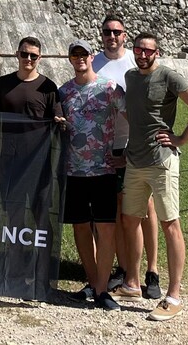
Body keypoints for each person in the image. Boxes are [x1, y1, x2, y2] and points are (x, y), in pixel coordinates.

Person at [119, 32, 188, 321]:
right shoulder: (132, 77)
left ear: (157, 53)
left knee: (171, 224)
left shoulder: (169, 76)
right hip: (134, 160)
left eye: (148, 51)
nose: (142, 54)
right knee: (130, 219)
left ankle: (173, 295)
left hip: (161, 161)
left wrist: (181, 139)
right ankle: (133, 283)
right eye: (138, 49)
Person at [94, 13, 161, 299]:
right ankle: (124, 268)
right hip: (107, 145)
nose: (112, 36)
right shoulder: (94, 61)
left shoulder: (137, 62)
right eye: (107, 32)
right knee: (120, 211)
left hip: (135, 143)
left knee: (146, 208)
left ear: (124, 35)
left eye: (117, 32)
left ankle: (152, 270)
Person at [58, 41, 127, 311]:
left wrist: (128, 154)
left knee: (107, 228)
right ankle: (93, 282)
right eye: (74, 55)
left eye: (83, 54)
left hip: (103, 169)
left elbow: (132, 116)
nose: (79, 59)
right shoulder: (64, 92)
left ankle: (101, 288)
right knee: (81, 227)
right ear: (70, 59)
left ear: (91, 57)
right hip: (73, 170)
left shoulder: (109, 88)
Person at [0, 36, 62, 300]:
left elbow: (57, 116)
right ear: (17, 54)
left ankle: (41, 280)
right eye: (25, 54)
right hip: (10, 163)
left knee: (42, 222)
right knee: (13, 223)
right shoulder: (3, 84)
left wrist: (59, 120)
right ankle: (13, 277)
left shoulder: (48, 87)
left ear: (40, 58)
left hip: (39, 165)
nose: (29, 59)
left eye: (34, 56)